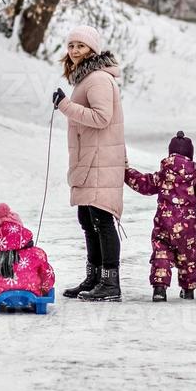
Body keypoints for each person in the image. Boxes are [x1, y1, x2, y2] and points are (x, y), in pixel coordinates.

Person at [52, 25, 127, 302]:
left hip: (100, 159)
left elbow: (101, 117)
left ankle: (110, 282)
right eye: (71, 46)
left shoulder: (96, 79)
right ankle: (94, 275)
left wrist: (65, 106)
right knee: (87, 218)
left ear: (92, 50)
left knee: (101, 219)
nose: (74, 51)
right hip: (91, 159)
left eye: (80, 46)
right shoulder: (87, 78)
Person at [125, 131, 196, 301]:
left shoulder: (164, 174)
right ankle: (188, 289)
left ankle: (159, 289)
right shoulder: (194, 178)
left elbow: (143, 184)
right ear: (189, 156)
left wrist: (126, 173)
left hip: (164, 224)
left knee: (161, 253)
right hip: (188, 228)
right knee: (188, 257)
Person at [0, 203, 56, 297]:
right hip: (33, 293)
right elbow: (48, 274)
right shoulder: (37, 253)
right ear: (21, 230)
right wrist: (45, 289)